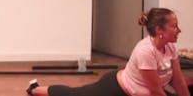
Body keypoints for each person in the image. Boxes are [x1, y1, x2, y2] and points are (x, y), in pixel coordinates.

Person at [27, 7, 191, 96]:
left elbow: (178, 82)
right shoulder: (145, 51)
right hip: (116, 89)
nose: (179, 30)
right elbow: (155, 91)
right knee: (73, 95)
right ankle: (34, 89)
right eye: (174, 26)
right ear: (159, 29)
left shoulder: (170, 48)